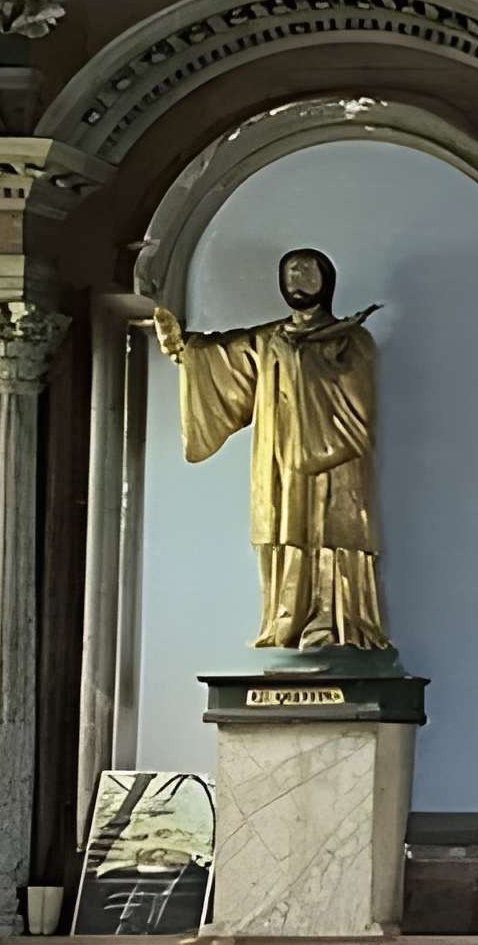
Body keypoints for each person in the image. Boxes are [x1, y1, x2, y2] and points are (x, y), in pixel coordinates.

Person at [148, 247, 389, 652]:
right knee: (281, 529)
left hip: (336, 463)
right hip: (278, 461)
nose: (298, 279)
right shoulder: (271, 338)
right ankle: (286, 622)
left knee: (333, 532)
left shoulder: (351, 340)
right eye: (290, 273)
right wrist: (184, 348)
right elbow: (224, 355)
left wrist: (303, 362)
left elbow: (357, 408)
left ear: (327, 280)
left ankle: (337, 623)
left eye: (307, 272)